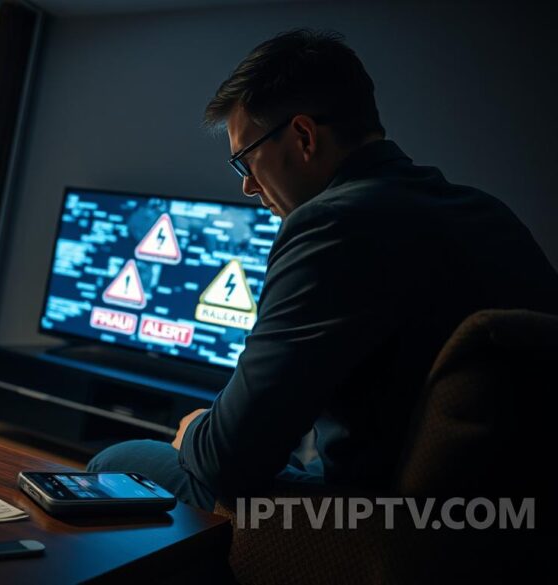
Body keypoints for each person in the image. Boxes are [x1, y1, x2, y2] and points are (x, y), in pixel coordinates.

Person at [87, 29, 558, 511]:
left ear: (304, 137)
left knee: (122, 460)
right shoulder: (489, 213)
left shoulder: (331, 224)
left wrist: (192, 432)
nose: (248, 186)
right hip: (511, 528)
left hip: (376, 527)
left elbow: (226, 462)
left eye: (245, 161)